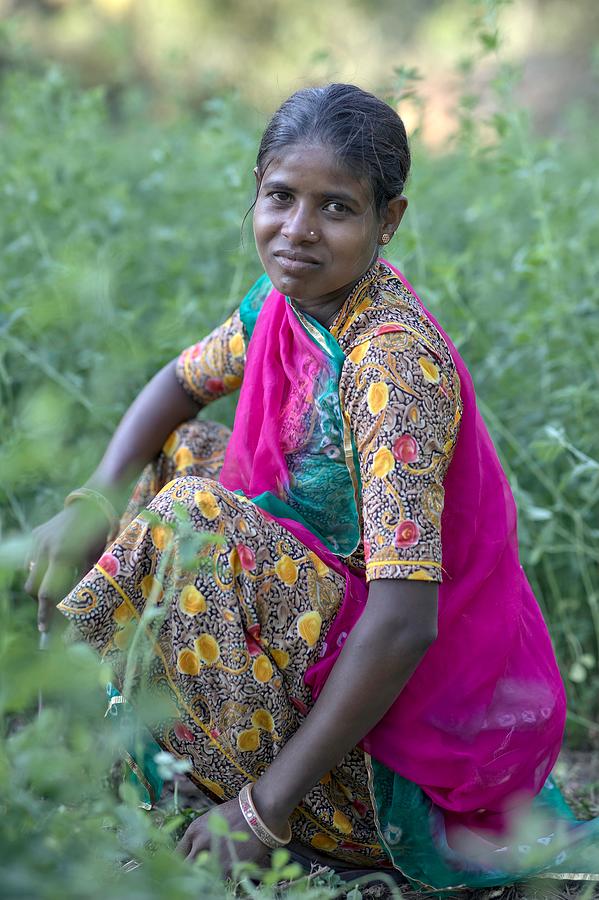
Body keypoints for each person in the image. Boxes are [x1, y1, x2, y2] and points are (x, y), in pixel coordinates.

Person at [25, 83, 599, 891]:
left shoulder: (390, 365)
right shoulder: (288, 302)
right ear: (255, 194)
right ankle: (89, 726)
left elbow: (404, 623)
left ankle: (65, 732)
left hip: (395, 754)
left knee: (191, 513)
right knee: (179, 454)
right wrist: (90, 499)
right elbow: (182, 383)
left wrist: (263, 809)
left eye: (335, 208)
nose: (297, 231)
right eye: (280, 198)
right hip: (326, 624)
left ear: (385, 222)